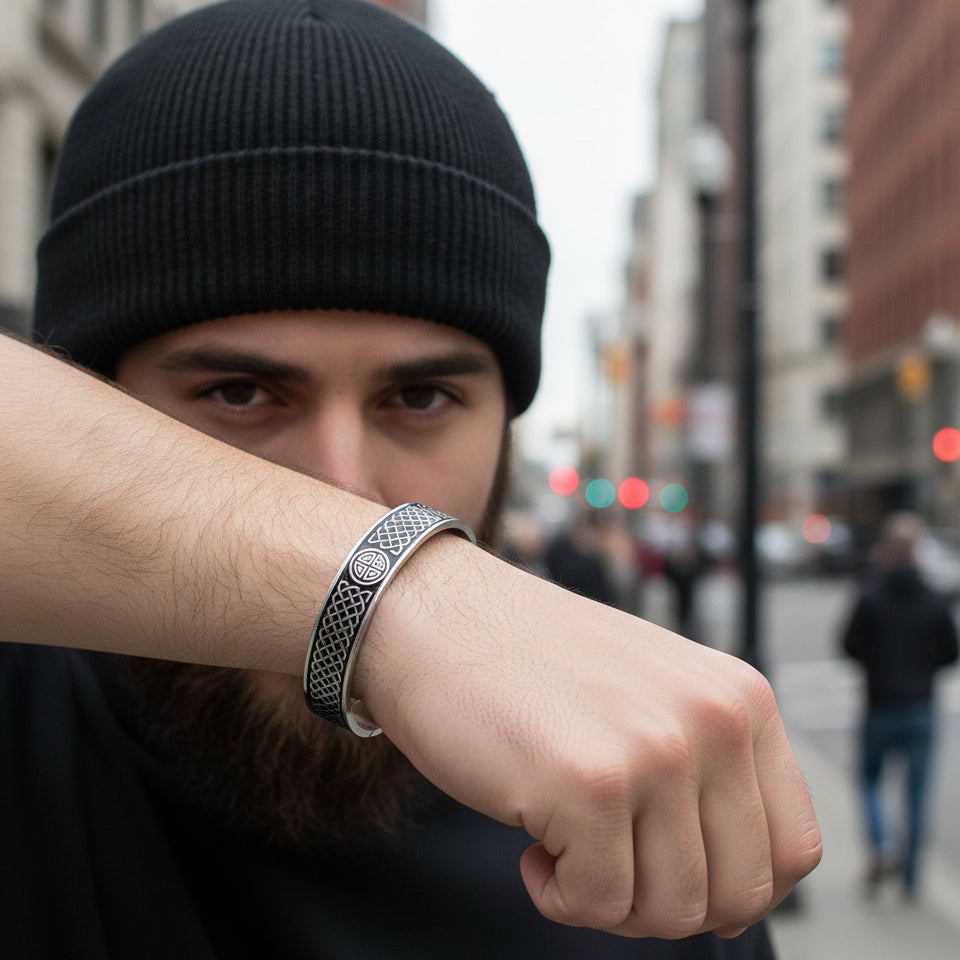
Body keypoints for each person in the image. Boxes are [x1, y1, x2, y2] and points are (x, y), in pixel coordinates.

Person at [1, 1, 821, 956]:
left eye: (421, 398)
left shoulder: (650, 845)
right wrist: (385, 595)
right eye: (238, 392)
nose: (342, 486)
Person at [840, 511, 958, 899]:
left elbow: (848, 645)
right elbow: (950, 652)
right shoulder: (932, 598)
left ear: (888, 549)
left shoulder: (871, 595)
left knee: (870, 781)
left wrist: (876, 663)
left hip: (880, 704)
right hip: (920, 706)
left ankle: (881, 845)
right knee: (917, 793)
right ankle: (911, 878)